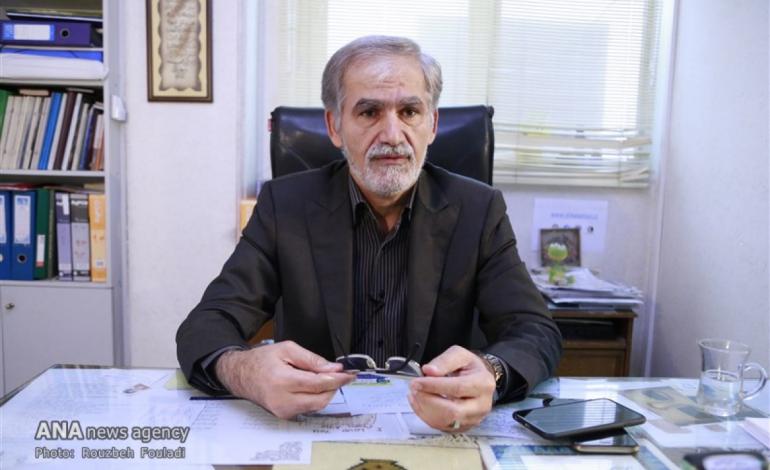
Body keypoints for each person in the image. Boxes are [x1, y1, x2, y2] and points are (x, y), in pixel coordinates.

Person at [177, 35, 561, 433]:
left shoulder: (478, 210)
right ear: (335, 126)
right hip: (314, 426)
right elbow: (207, 323)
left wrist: (491, 371)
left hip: (435, 427)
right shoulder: (284, 206)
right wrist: (244, 370)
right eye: (369, 112)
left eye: (409, 111)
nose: (392, 134)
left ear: (432, 124)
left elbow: (535, 330)